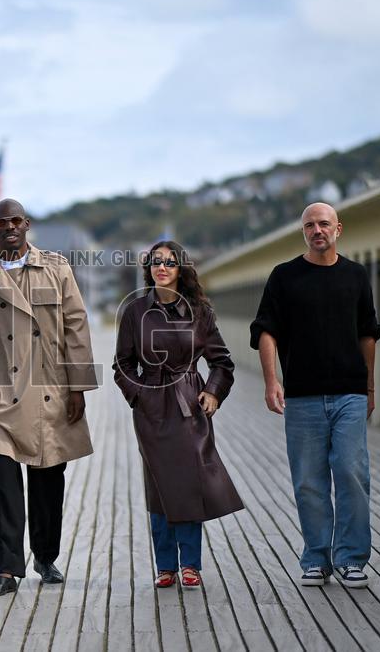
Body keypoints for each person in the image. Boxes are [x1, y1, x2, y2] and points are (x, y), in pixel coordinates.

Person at [0, 198, 99, 597]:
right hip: (0, 392)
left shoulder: (56, 268)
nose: (10, 227)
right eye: (2, 222)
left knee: (49, 480)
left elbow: (76, 327)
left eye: (16, 220)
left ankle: (45, 555)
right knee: (1, 482)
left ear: (27, 224)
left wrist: (79, 387)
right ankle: (7, 570)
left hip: (51, 388)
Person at [250, 202, 380, 589]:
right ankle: (316, 559)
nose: (317, 230)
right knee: (308, 479)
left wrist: (370, 387)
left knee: (352, 473)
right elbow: (266, 331)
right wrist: (272, 381)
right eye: (310, 225)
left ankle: (352, 558)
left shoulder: (356, 275)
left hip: (349, 394)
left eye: (324, 224)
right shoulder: (284, 276)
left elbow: (368, 333)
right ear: (303, 232)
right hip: (303, 396)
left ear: (338, 229)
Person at [114, 241, 244, 589]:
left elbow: (222, 362)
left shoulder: (200, 312)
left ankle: (190, 564)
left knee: (189, 484)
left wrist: (213, 391)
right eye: (156, 262)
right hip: (152, 408)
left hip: (189, 407)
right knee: (158, 486)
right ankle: (166, 566)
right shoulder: (135, 312)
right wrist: (139, 395)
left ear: (180, 269)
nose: (162, 267)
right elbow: (122, 365)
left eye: (169, 263)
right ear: (149, 269)